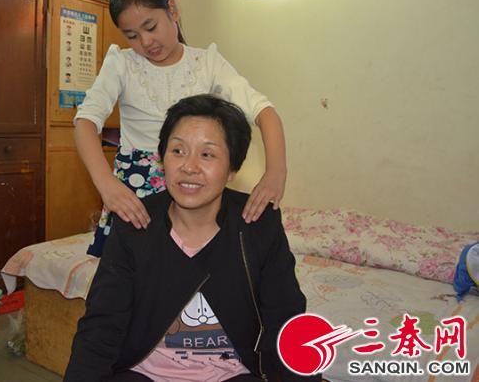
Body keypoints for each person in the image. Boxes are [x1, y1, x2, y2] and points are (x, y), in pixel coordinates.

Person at [64, 94, 317, 382]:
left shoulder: (257, 224)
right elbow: (101, 326)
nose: (189, 166)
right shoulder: (135, 223)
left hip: (231, 376)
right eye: (178, 151)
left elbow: (287, 322)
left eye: (207, 155)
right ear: (162, 159)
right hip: (144, 375)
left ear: (233, 169)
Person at [74, 0, 287, 256]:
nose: (145, 42)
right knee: (135, 269)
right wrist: (107, 185)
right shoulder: (121, 64)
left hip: (192, 183)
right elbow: (85, 122)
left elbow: (264, 112)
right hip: (136, 189)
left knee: (195, 264)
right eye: (132, 35)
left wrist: (275, 173)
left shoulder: (206, 63)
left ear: (172, 10)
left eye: (151, 27)